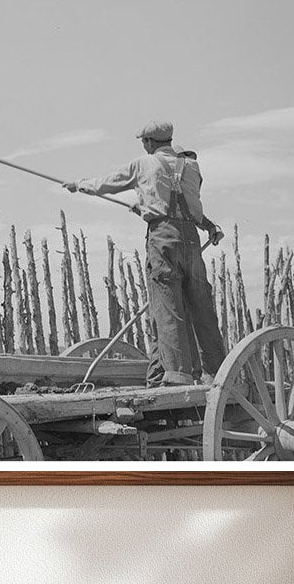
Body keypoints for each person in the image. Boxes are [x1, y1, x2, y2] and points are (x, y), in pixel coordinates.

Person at [63, 120, 226, 386]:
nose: (143, 144)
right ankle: (218, 373)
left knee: (168, 306)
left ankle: (177, 375)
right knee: (201, 306)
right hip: (191, 239)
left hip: (163, 237)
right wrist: (210, 226)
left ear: (149, 142)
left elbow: (108, 183)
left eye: (143, 141)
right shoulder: (192, 166)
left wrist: (79, 185)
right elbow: (186, 204)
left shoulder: (142, 163)